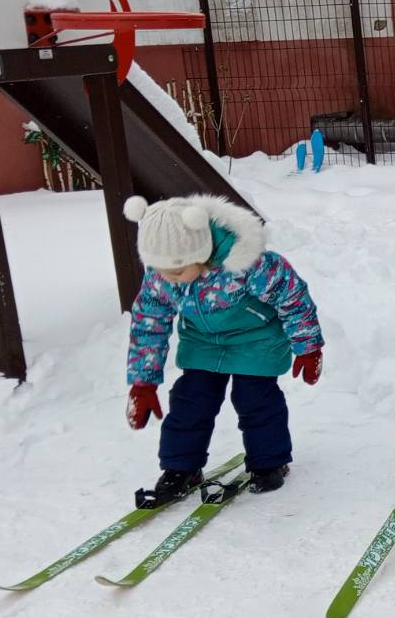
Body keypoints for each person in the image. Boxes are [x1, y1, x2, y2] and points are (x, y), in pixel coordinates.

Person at [123, 194, 323, 501]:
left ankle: (270, 462)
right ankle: (181, 466)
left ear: (201, 253)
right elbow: (149, 321)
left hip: (256, 339)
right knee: (191, 399)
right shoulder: (161, 275)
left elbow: (292, 296)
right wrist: (143, 381)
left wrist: (308, 347)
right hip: (203, 342)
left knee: (254, 398)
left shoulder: (246, 263)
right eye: (160, 270)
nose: (168, 279)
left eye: (177, 272)